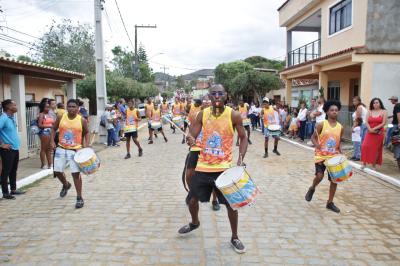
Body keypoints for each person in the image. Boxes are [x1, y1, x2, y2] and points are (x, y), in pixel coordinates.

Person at [179, 84, 248, 254]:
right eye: (213, 94)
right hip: (203, 165)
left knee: (232, 205)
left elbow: (243, 137)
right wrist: (190, 138)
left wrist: (240, 158)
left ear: (226, 95)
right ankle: (195, 223)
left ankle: (235, 237)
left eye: (220, 93)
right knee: (192, 200)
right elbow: (193, 134)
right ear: (209, 96)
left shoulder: (234, 115)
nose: (217, 96)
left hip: (224, 167)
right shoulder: (203, 114)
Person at [305, 100, 344, 213]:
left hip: (334, 157)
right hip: (321, 155)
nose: (334, 112)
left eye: (336, 110)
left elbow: (338, 142)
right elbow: (313, 137)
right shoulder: (322, 124)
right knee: (319, 176)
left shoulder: (340, 127)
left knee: (334, 180)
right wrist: (317, 145)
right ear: (327, 111)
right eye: (332, 110)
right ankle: (312, 188)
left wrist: (341, 154)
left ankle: (330, 202)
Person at [50, 99, 89, 208]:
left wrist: (86, 145)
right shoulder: (61, 117)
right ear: (67, 107)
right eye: (69, 106)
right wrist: (52, 141)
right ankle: (66, 185)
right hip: (61, 148)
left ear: (78, 108)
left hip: (75, 151)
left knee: (75, 174)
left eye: (74, 107)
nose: (71, 109)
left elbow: (86, 132)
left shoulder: (81, 120)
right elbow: (53, 129)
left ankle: (79, 198)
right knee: (57, 171)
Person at [0, 99, 25, 199]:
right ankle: (5, 192)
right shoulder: (3, 118)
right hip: (7, 150)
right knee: (6, 170)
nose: (16, 106)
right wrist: (2, 144)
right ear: (9, 107)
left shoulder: (10, 118)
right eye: (14, 105)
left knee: (13, 170)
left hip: (14, 148)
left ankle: (13, 189)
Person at [361, 98, 388, 169]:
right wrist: (370, 129)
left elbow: (384, 123)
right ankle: (364, 163)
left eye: (377, 102)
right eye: (374, 103)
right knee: (364, 146)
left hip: (378, 133)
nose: (375, 104)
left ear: (380, 103)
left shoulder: (384, 111)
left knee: (376, 149)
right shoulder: (369, 111)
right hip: (369, 132)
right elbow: (366, 121)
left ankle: (373, 165)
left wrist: (374, 129)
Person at [38, 100, 55, 169]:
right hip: (45, 133)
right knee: (43, 149)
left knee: (49, 149)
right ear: (43, 107)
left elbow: (53, 123)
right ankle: (43, 164)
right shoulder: (41, 114)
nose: (48, 108)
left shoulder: (49, 114)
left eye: (48, 107)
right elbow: (39, 125)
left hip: (51, 133)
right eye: (46, 107)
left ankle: (50, 164)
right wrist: (50, 126)